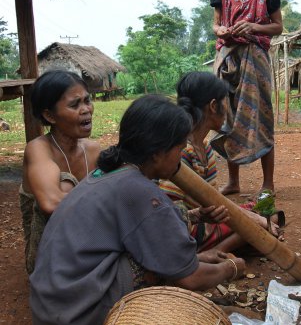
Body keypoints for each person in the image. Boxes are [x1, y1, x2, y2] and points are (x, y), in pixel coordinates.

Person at [29, 95, 246, 325]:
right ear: (156, 152)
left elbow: (143, 226)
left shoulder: (108, 172)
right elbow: (190, 279)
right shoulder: (137, 189)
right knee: (155, 270)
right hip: (78, 312)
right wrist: (231, 268)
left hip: (51, 304)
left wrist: (195, 222)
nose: (180, 158)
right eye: (179, 148)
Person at [160, 71, 281, 253]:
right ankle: (217, 251)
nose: (228, 110)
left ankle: (248, 235)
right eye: (225, 103)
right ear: (213, 106)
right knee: (264, 220)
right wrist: (252, 219)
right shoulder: (181, 151)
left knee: (265, 211)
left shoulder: (205, 148)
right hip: (189, 231)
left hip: (207, 222)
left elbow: (214, 202)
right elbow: (169, 213)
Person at [210, 0, 282, 195]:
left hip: (256, 61)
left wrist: (253, 27)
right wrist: (222, 31)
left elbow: (277, 27)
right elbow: (216, 24)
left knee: (262, 117)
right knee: (227, 116)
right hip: (228, 58)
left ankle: (268, 183)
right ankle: (234, 181)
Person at [19, 70, 100, 274]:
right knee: (66, 182)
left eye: (87, 101)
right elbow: (51, 202)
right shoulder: (38, 149)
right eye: (75, 105)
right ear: (49, 115)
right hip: (46, 257)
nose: (86, 110)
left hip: (88, 244)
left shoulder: (93, 149)